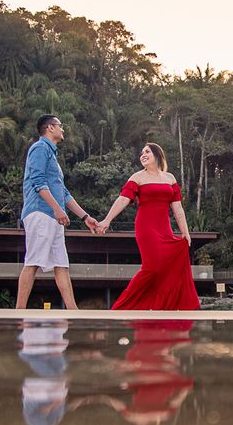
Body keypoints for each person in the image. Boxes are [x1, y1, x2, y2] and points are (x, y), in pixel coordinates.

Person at [97, 143, 200, 310]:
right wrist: (107, 221)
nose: (142, 155)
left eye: (147, 152)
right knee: (152, 267)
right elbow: (123, 199)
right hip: (146, 227)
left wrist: (185, 232)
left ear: (157, 155)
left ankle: (160, 306)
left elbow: (178, 208)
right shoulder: (137, 177)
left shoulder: (170, 178)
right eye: (141, 152)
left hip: (164, 228)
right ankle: (121, 307)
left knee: (167, 266)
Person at [16, 115, 99, 309]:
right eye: (61, 126)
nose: (63, 129)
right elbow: (38, 182)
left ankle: (73, 310)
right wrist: (56, 209)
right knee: (33, 261)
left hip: (54, 216)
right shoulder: (39, 148)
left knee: (61, 264)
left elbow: (63, 192)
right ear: (50, 128)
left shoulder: (52, 155)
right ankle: (18, 311)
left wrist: (85, 217)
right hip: (41, 212)